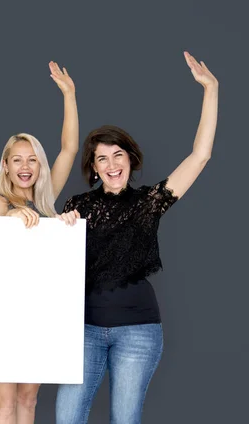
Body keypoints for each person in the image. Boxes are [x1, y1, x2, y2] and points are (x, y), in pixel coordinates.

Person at [55, 52, 218, 424]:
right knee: (66, 418)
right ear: (93, 168)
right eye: (102, 159)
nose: (112, 165)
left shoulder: (149, 203)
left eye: (118, 155)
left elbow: (200, 155)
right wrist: (64, 230)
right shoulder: (76, 206)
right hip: (84, 329)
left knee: (124, 420)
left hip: (139, 332)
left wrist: (211, 89)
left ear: (130, 159)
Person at [0, 61, 79, 424]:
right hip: (3, 314)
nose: (26, 166)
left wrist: (69, 95)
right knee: (5, 403)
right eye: (17, 160)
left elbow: (69, 149)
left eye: (33, 160)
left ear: (40, 167)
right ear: (5, 166)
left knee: (29, 401)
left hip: (40, 312)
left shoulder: (46, 205)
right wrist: (9, 218)